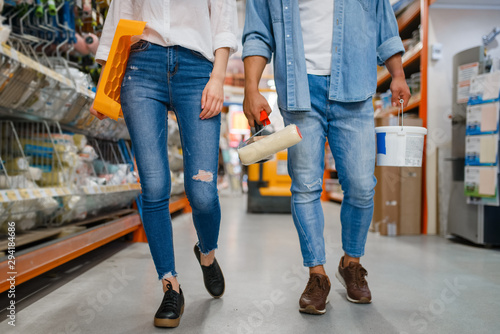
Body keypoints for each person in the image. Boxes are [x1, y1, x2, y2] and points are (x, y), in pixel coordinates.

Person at [242, 0, 411, 315]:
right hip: (299, 89)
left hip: (355, 88)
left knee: (361, 184)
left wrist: (398, 75)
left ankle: (351, 263)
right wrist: (251, 87)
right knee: (305, 186)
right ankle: (317, 275)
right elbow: (258, 34)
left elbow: (385, 26)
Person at [90, 0, 238, 328]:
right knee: (154, 185)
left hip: (198, 68)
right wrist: (105, 84)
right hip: (141, 67)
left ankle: (207, 253)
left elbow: (224, 15)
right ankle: (170, 287)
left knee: (201, 191)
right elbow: (121, 11)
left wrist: (218, 76)